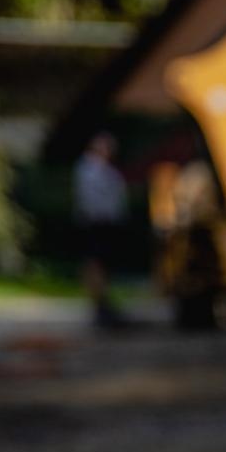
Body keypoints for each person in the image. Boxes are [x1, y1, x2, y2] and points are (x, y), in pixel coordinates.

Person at [73, 133, 129, 328]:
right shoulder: (90, 169)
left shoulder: (103, 169)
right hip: (96, 223)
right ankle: (100, 305)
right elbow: (93, 200)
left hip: (105, 224)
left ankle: (104, 303)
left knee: (102, 264)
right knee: (95, 264)